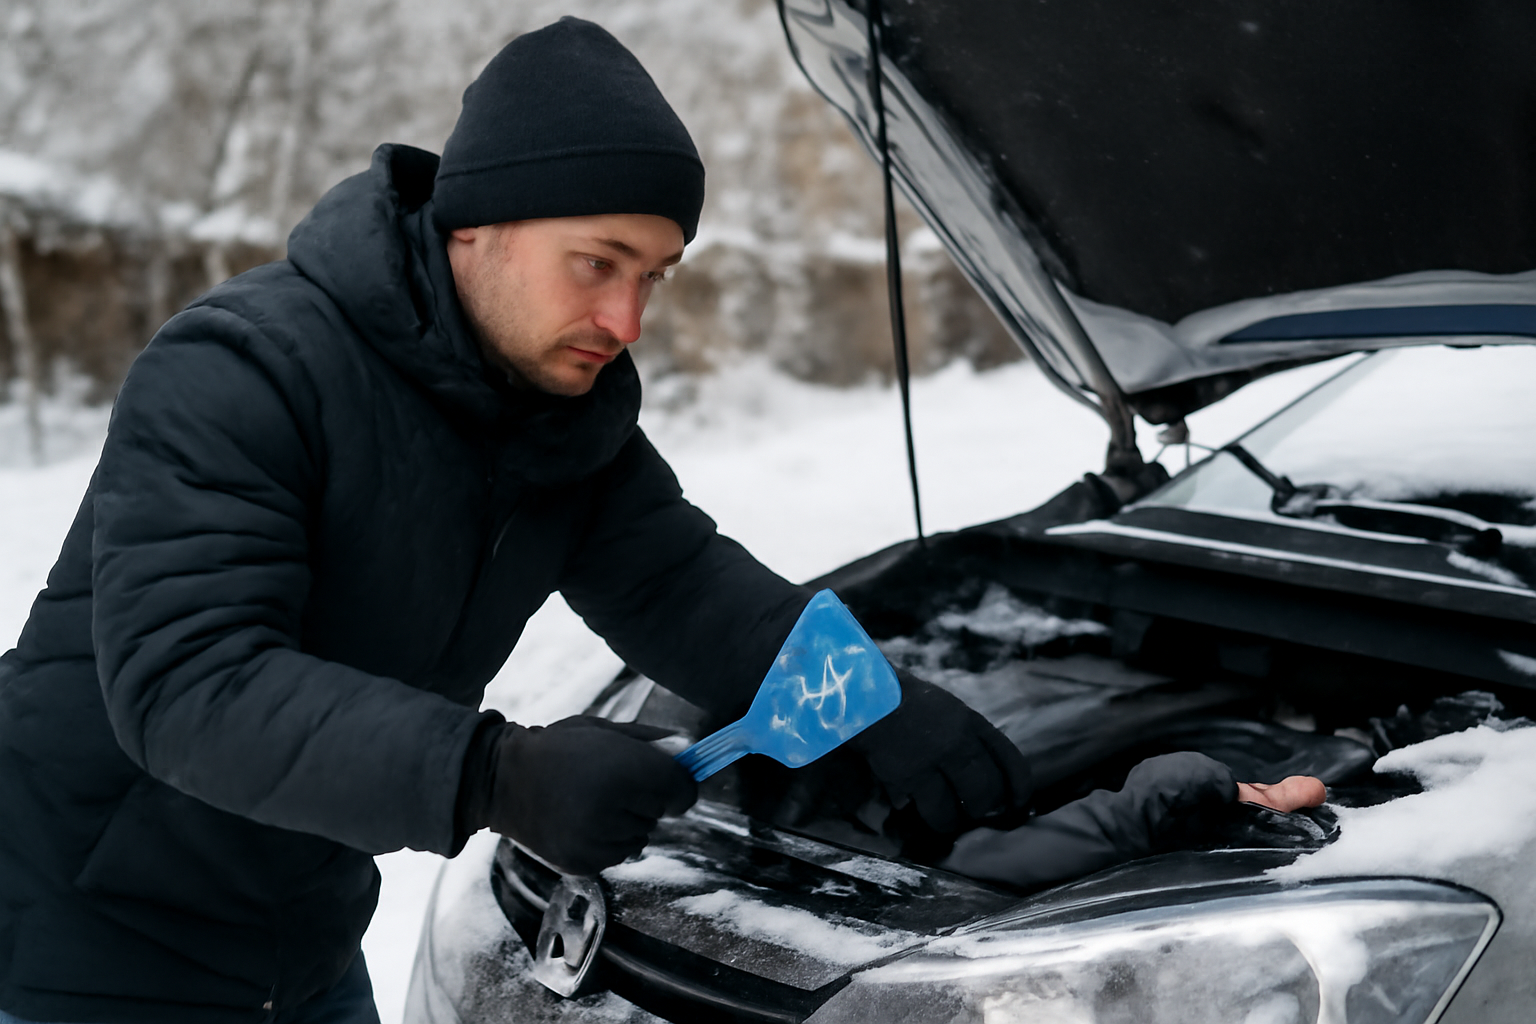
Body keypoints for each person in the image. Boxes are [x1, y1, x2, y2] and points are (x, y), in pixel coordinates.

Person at [0, 18, 1032, 1024]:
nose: (627, 321)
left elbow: (679, 584)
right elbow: (188, 683)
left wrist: (873, 701)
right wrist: (494, 771)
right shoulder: (242, 372)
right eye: (599, 261)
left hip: (299, 927)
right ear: (476, 223)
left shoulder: (554, 420)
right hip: (79, 931)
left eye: (653, 277)